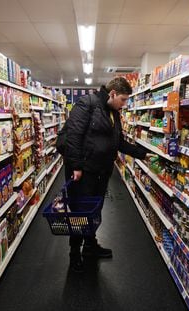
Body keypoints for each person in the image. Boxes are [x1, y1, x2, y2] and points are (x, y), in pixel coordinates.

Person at [63, 77, 151, 272]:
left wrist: (141, 154)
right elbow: (74, 135)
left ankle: (90, 246)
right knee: (80, 213)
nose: (125, 104)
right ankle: (74, 253)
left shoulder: (114, 113)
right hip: (83, 173)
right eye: (123, 99)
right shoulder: (87, 104)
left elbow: (117, 142)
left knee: (94, 211)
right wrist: (76, 166)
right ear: (112, 94)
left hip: (101, 172)